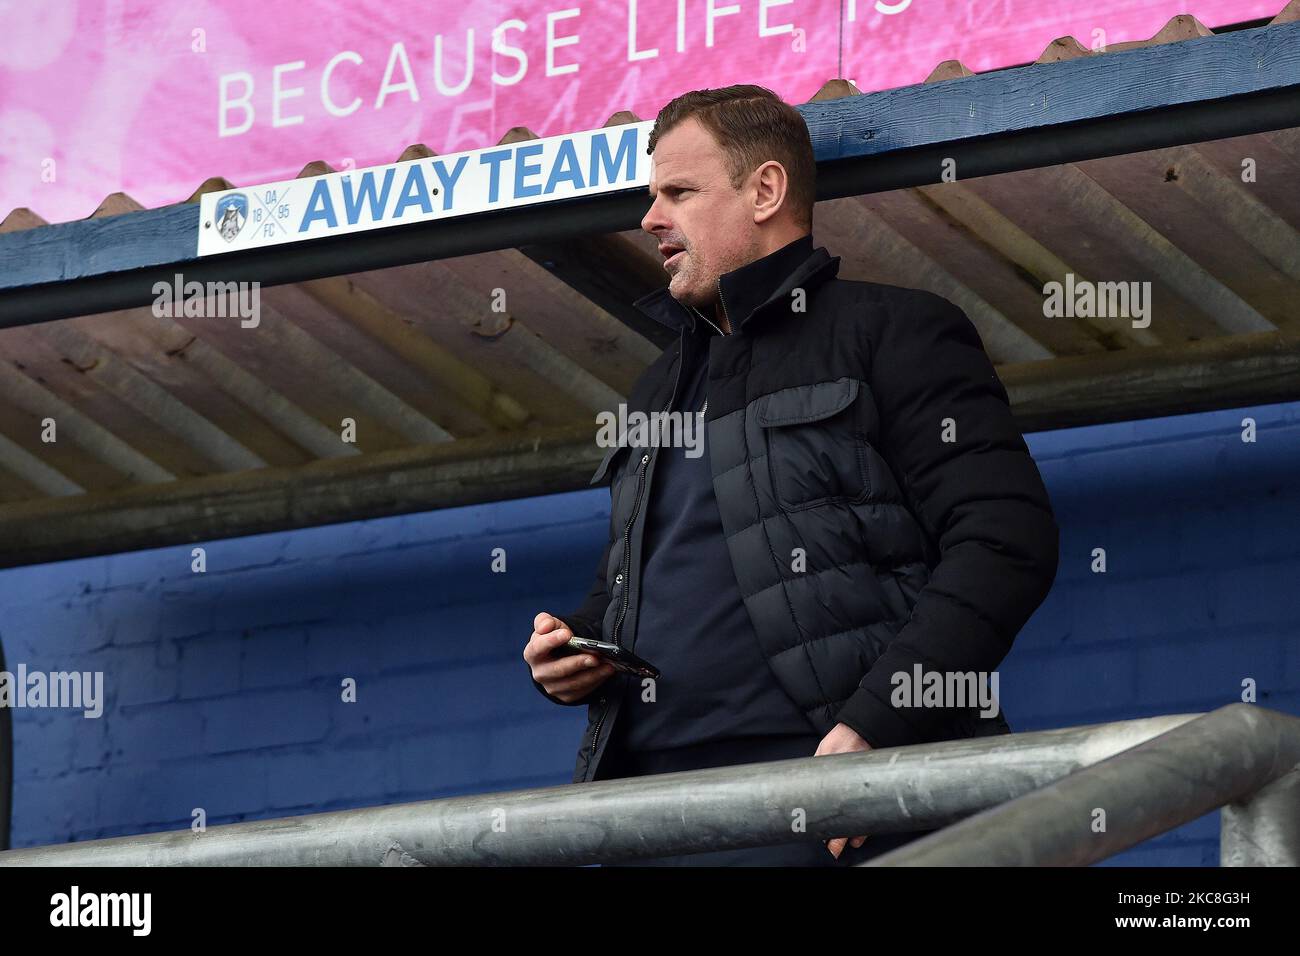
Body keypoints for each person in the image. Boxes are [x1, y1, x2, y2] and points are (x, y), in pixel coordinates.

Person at [523, 85, 1059, 866]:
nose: (649, 219)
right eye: (652, 195)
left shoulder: (895, 332)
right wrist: (574, 647)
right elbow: (637, 583)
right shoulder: (657, 385)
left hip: (838, 804)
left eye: (679, 192)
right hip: (653, 815)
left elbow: (1006, 542)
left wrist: (876, 726)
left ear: (766, 190)